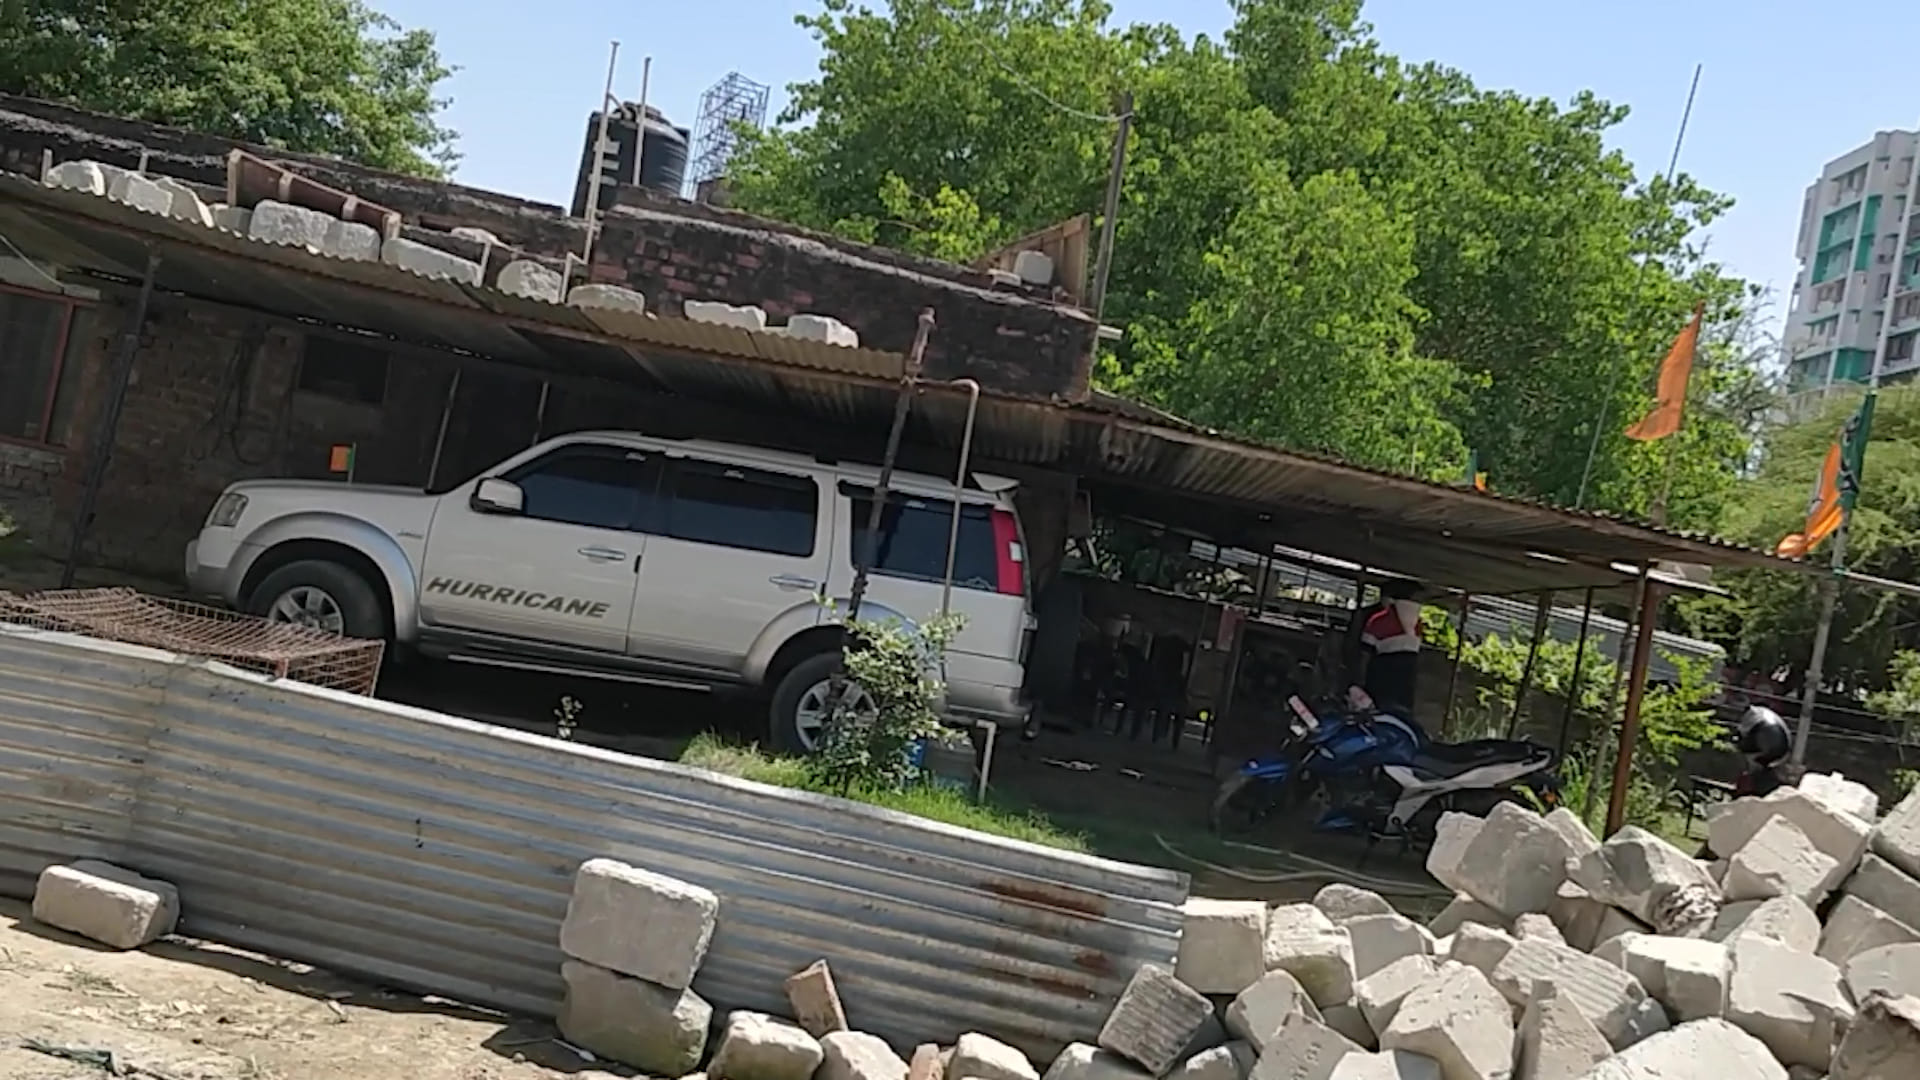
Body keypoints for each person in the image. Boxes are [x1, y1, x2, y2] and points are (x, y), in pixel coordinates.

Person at [1359, 579, 1423, 719]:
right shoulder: (1417, 623)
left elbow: (1365, 652)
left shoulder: (1379, 619)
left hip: (1382, 674)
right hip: (1406, 677)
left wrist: (1359, 682)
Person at [1734, 704, 1801, 797]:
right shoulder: (1761, 714)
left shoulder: (1752, 716)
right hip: (1780, 748)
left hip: (1768, 746)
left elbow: (1742, 735)